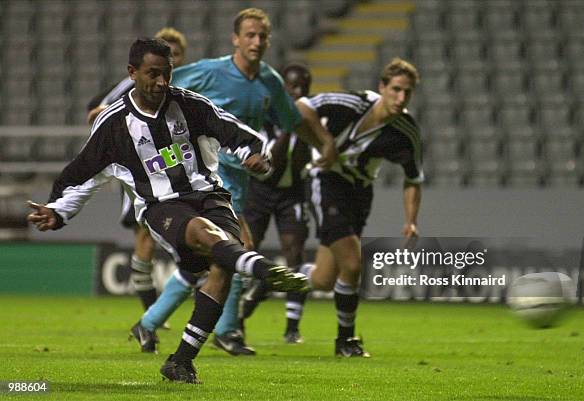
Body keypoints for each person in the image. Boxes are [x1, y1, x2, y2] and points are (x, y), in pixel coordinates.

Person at [27, 37, 308, 384]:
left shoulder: (191, 106)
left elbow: (239, 133)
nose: (161, 83)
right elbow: (84, 174)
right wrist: (58, 211)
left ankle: (181, 361)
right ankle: (258, 266)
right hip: (162, 207)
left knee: (222, 268)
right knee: (208, 236)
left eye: (167, 74)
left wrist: (254, 155)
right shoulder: (115, 125)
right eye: (153, 74)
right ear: (132, 73)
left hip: (210, 196)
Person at [132, 8, 336, 357]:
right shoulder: (211, 71)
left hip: (241, 181)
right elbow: (160, 84)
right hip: (207, 176)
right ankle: (226, 331)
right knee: (237, 249)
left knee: (213, 260)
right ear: (236, 39)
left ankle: (150, 323)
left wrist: (324, 145)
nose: (256, 41)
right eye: (250, 35)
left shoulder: (269, 81)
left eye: (262, 36)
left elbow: (292, 119)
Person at [295, 58, 424, 357]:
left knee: (324, 279)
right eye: (395, 90)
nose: (401, 98)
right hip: (325, 181)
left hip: (359, 191)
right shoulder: (351, 103)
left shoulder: (407, 132)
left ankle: (287, 277)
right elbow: (302, 105)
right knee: (353, 263)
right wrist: (326, 143)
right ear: (382, 87)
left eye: (407, 92)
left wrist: (411, 220)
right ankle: (345, 342)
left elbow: (413, 178)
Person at [85, 28, 188, 321]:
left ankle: (161, 311)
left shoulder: (188, 86)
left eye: (176, 55)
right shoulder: (135, 84)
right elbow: (97, 109)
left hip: (179, 170)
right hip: (142, 170)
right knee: (145, 238)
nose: (173, 60)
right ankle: (152, 314)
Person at [239, 63, 313, 344]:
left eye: (304, 88)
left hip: (293, 193)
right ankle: (237, 321)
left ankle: (292, 328)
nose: (299, 94)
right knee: (246, 251)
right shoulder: (267, 118)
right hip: (259, 191)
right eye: (293, 88)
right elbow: (271, 162)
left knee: (295, 255)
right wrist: (289, 127)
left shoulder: (313, 119)